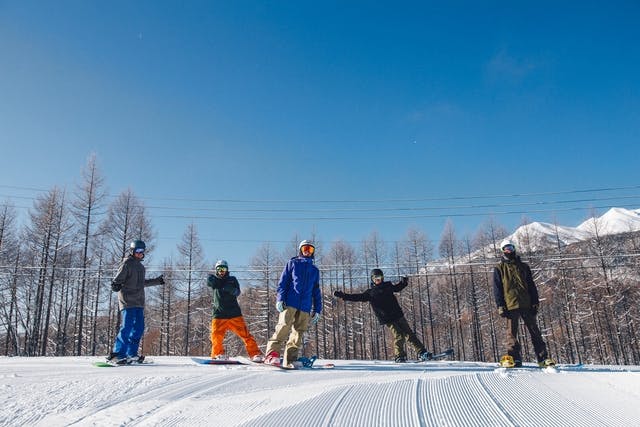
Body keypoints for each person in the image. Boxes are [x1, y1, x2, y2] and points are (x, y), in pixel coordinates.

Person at [333, 268, 432, 363]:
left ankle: (422, 352)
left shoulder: (388, 286)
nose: (378, 280)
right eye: (376, 279)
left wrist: (404, 282)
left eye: (380, 278)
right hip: (388, 318)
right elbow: (356, 297)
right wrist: (343, 295)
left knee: (409, 334)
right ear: (372, 279)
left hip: (398, 314)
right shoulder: (370, 293)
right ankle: (399, 356)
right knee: (399, 335)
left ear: (383, 278)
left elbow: (397, 288)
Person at [493, 239, 555, 368]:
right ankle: (515, 359)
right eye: (506, 248)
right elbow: (497, 288)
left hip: (526, 304)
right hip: (510, 306)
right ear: (502, 251)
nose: (508, 250)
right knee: (511, 334)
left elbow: (531, 286)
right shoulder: (499, 268)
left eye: (510, 247)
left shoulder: (524, 266)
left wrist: (535, 302)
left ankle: (543, 358)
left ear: (514, 248)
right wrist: (500, 305)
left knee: (535, 332)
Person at [264, 240, 323, 368]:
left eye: (310, 249)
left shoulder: (314, 270)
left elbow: (316, 291)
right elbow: (283, 283)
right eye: (305, 248)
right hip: (290, 302)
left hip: (305, 307)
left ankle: (290, 360)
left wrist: (317, 309)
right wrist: (280, 299)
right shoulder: (292, 263)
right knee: (283, 328)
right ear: (300, 250)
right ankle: (271, 355)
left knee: (298, 334)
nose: (307, 251)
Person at [108, 240, 164, 365]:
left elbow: (141, 283)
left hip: (139, 302)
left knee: (139, 328)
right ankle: (117, 354)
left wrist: (157, 281)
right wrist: (115, 284)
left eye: (142, 252)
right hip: (127, 300)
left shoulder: (141, 267)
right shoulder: (127, 264)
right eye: (138, 251)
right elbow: (118, 279)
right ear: (132, 251)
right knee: (127, 327)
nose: (140, 254)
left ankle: (131, 354)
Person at [206, 259, 264, 362]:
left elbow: (237, 292)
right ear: (216, 270)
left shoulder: (232, 279)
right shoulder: (215, 280)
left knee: (246, 335)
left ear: (227, 270)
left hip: (234, 314)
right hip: (219, 315)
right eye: (219, 269)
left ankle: (255, 354)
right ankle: (218, 354)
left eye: (223, 269)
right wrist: (213, 280)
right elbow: (210, 282)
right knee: (216, 336)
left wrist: (231, 289)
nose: (221, 271)